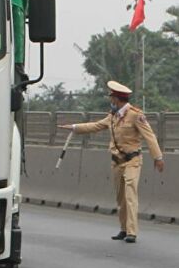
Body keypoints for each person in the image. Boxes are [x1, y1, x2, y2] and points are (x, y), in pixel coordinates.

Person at [60, 80, 164, 243]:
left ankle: (132, 232)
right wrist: (74, 127)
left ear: (117, 99)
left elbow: (149, 136)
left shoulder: (136, 115)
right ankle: (123, 229)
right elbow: (95, 126)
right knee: (120, 197)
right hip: (117, 162)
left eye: (112, 98)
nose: (110, 101)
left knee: (130, 194)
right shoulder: (112, 116)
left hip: (132, 160)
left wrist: (158, 157)